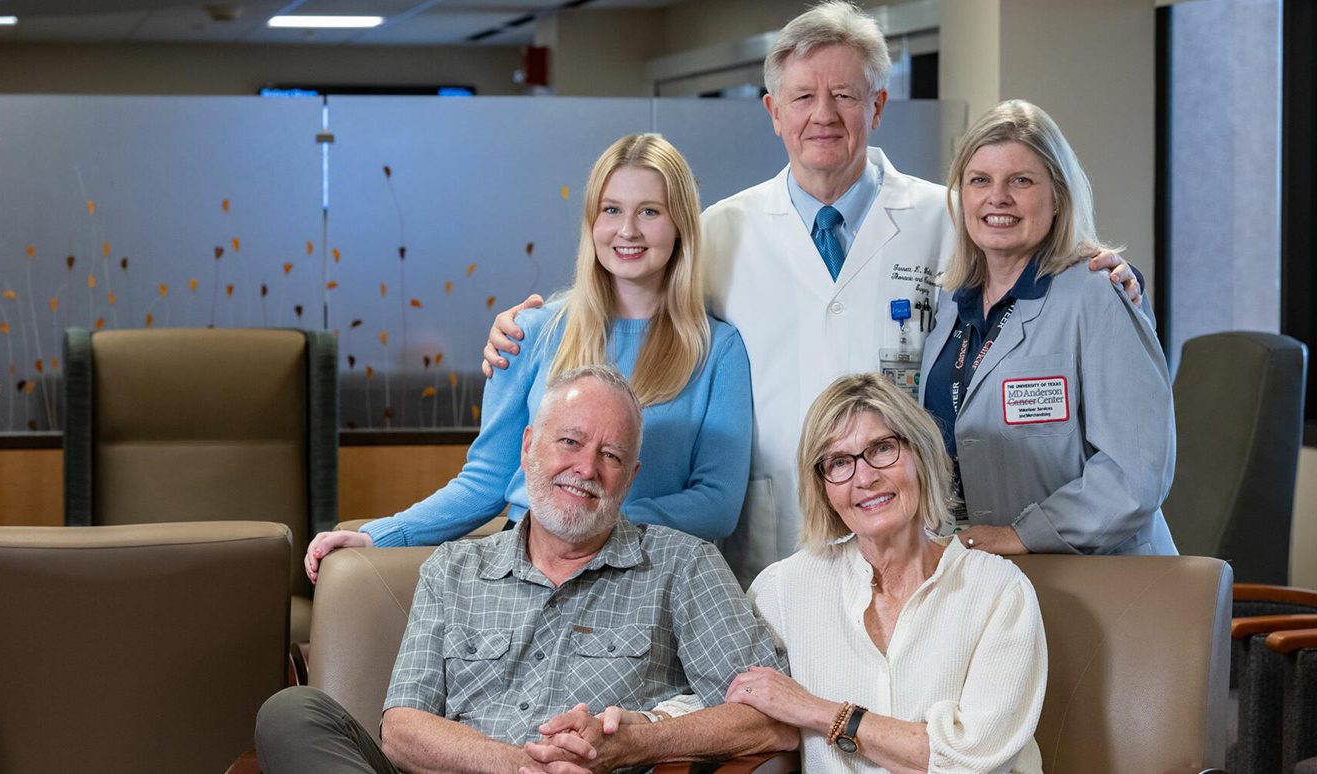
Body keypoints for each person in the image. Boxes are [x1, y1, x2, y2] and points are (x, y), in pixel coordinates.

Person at [481, 1, 1139, 587]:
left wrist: (1099, 266)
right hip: (774, 537)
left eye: (846, 96)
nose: (823, 115)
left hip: (917, 533)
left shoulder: (948, 220)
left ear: (878, 105)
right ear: (773, 112)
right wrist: (528, 325)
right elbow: (632, 304)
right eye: (801, 98)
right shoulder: (718, 235)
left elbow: (1029, 262)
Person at [257, 366, 794, 774]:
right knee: (291, 713)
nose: (586, 468)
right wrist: (515, 764)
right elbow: (400, 729)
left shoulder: (684, 565)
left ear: (629, 477)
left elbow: (773, 719)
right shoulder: (453, 568)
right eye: (570, 442)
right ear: (529, 447)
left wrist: (639, 740)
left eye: (610, 455)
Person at [304, 134, 753, 579]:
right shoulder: (531, 332)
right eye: (611, 210)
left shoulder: (718, 350)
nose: (627, 230)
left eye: (649, 212)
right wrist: (379, 535)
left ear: (680, 226)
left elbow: (716, 503)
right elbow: (485, 482)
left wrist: (589, 517)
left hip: (645, 570)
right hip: (527, 564)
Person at [726, 373, 1047, 772]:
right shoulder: (785, 587)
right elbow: (719, 692)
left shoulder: (999, 591)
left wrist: (819, 712)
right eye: (839, 462)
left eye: (882, 449)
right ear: (823, 486)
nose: (864, 477)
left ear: (921, 454)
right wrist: (649, 724)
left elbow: (971, 758)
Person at [920, 100, 1177, 557]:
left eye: (1021, 180)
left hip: (1099, 582)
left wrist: (1019, 536)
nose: (997, 197)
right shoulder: (949, 307)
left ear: (1057, 196)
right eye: (980, 180)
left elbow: (1135, 473)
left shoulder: (1099, 294)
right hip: (988, 578)